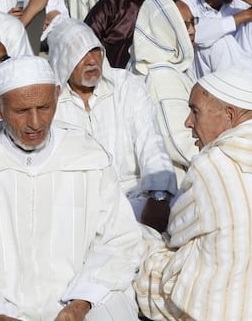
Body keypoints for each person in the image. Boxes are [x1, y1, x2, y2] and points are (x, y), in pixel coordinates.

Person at [137, 68, 252, 321]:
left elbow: (176, 233)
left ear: (229, 115)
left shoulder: (211, 166)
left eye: (195, 111)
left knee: (142, 246)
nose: (188, 123)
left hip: (229, 308)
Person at [0, 56, 141, 320]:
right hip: (1, 307)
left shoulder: (87, 154)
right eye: (21, 111)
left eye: (44, 107)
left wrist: (81, 303)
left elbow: (120, 240)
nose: (35, 123)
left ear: (57, 96)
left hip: (88, 302)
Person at [48, 18, 176, 229]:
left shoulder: (126, 86)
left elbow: (151, 143)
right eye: (80, 54)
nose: (91, 61)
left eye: (95, 51)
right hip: (82, 209)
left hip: (136, 197)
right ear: (63, 60)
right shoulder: (51, 103)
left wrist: (158, 197)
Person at [131, 0, 199, 175]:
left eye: (193, 22)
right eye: (184, 24)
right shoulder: (162, 76)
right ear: (165, 28)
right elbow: (179, 141)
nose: (192, 30)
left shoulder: (169, 65)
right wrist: (221, 163)